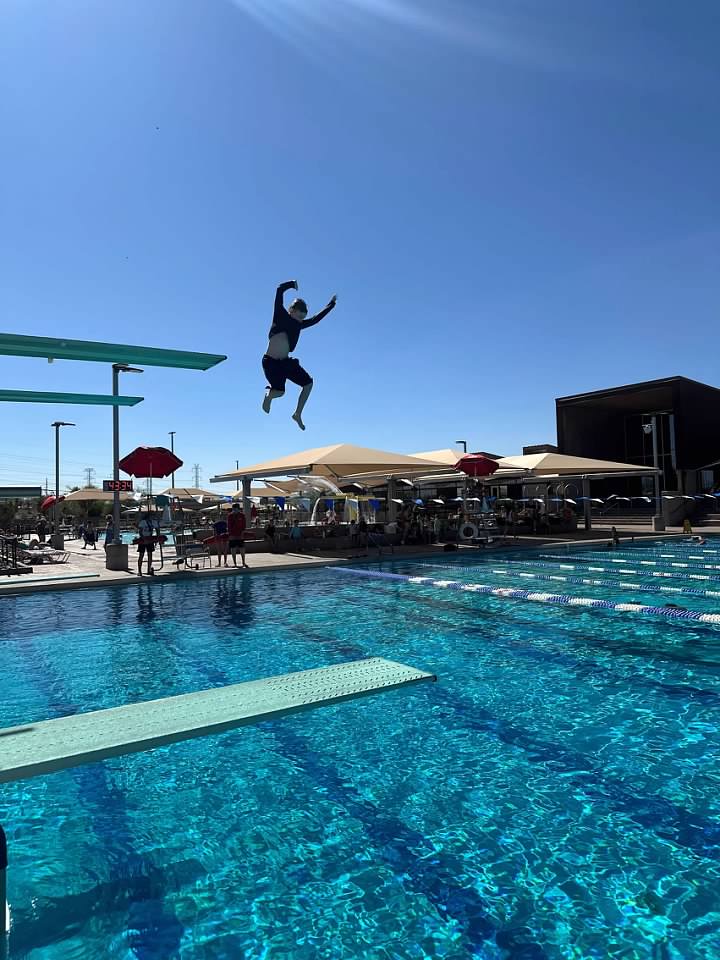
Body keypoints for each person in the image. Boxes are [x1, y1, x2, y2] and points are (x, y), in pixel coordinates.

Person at [261, 280, 338, 430]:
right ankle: (269, 395)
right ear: (291, 310)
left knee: (308, 384)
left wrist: (331, 304)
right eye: (298, 316)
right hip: (271, 363)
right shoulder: (280, 315)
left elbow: (316, 319)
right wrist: (291, 284)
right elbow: (279, 290)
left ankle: (297, 414)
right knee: (280, 393)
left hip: (286, 363)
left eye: (302, 318)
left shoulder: (300, 324)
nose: (299, 320)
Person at [227, 503, 249, 568]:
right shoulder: (230, 516)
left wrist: (242, 532)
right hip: (232, 535)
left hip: (240, 535)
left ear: (238, 509)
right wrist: (230, 535)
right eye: (234, 509)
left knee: (242, 549)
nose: (235, 510)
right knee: (233, 549)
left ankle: (243, 562)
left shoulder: (242, 515)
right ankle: (235, 563)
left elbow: (244, 525)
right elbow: (229, 526)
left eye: (236, 509)